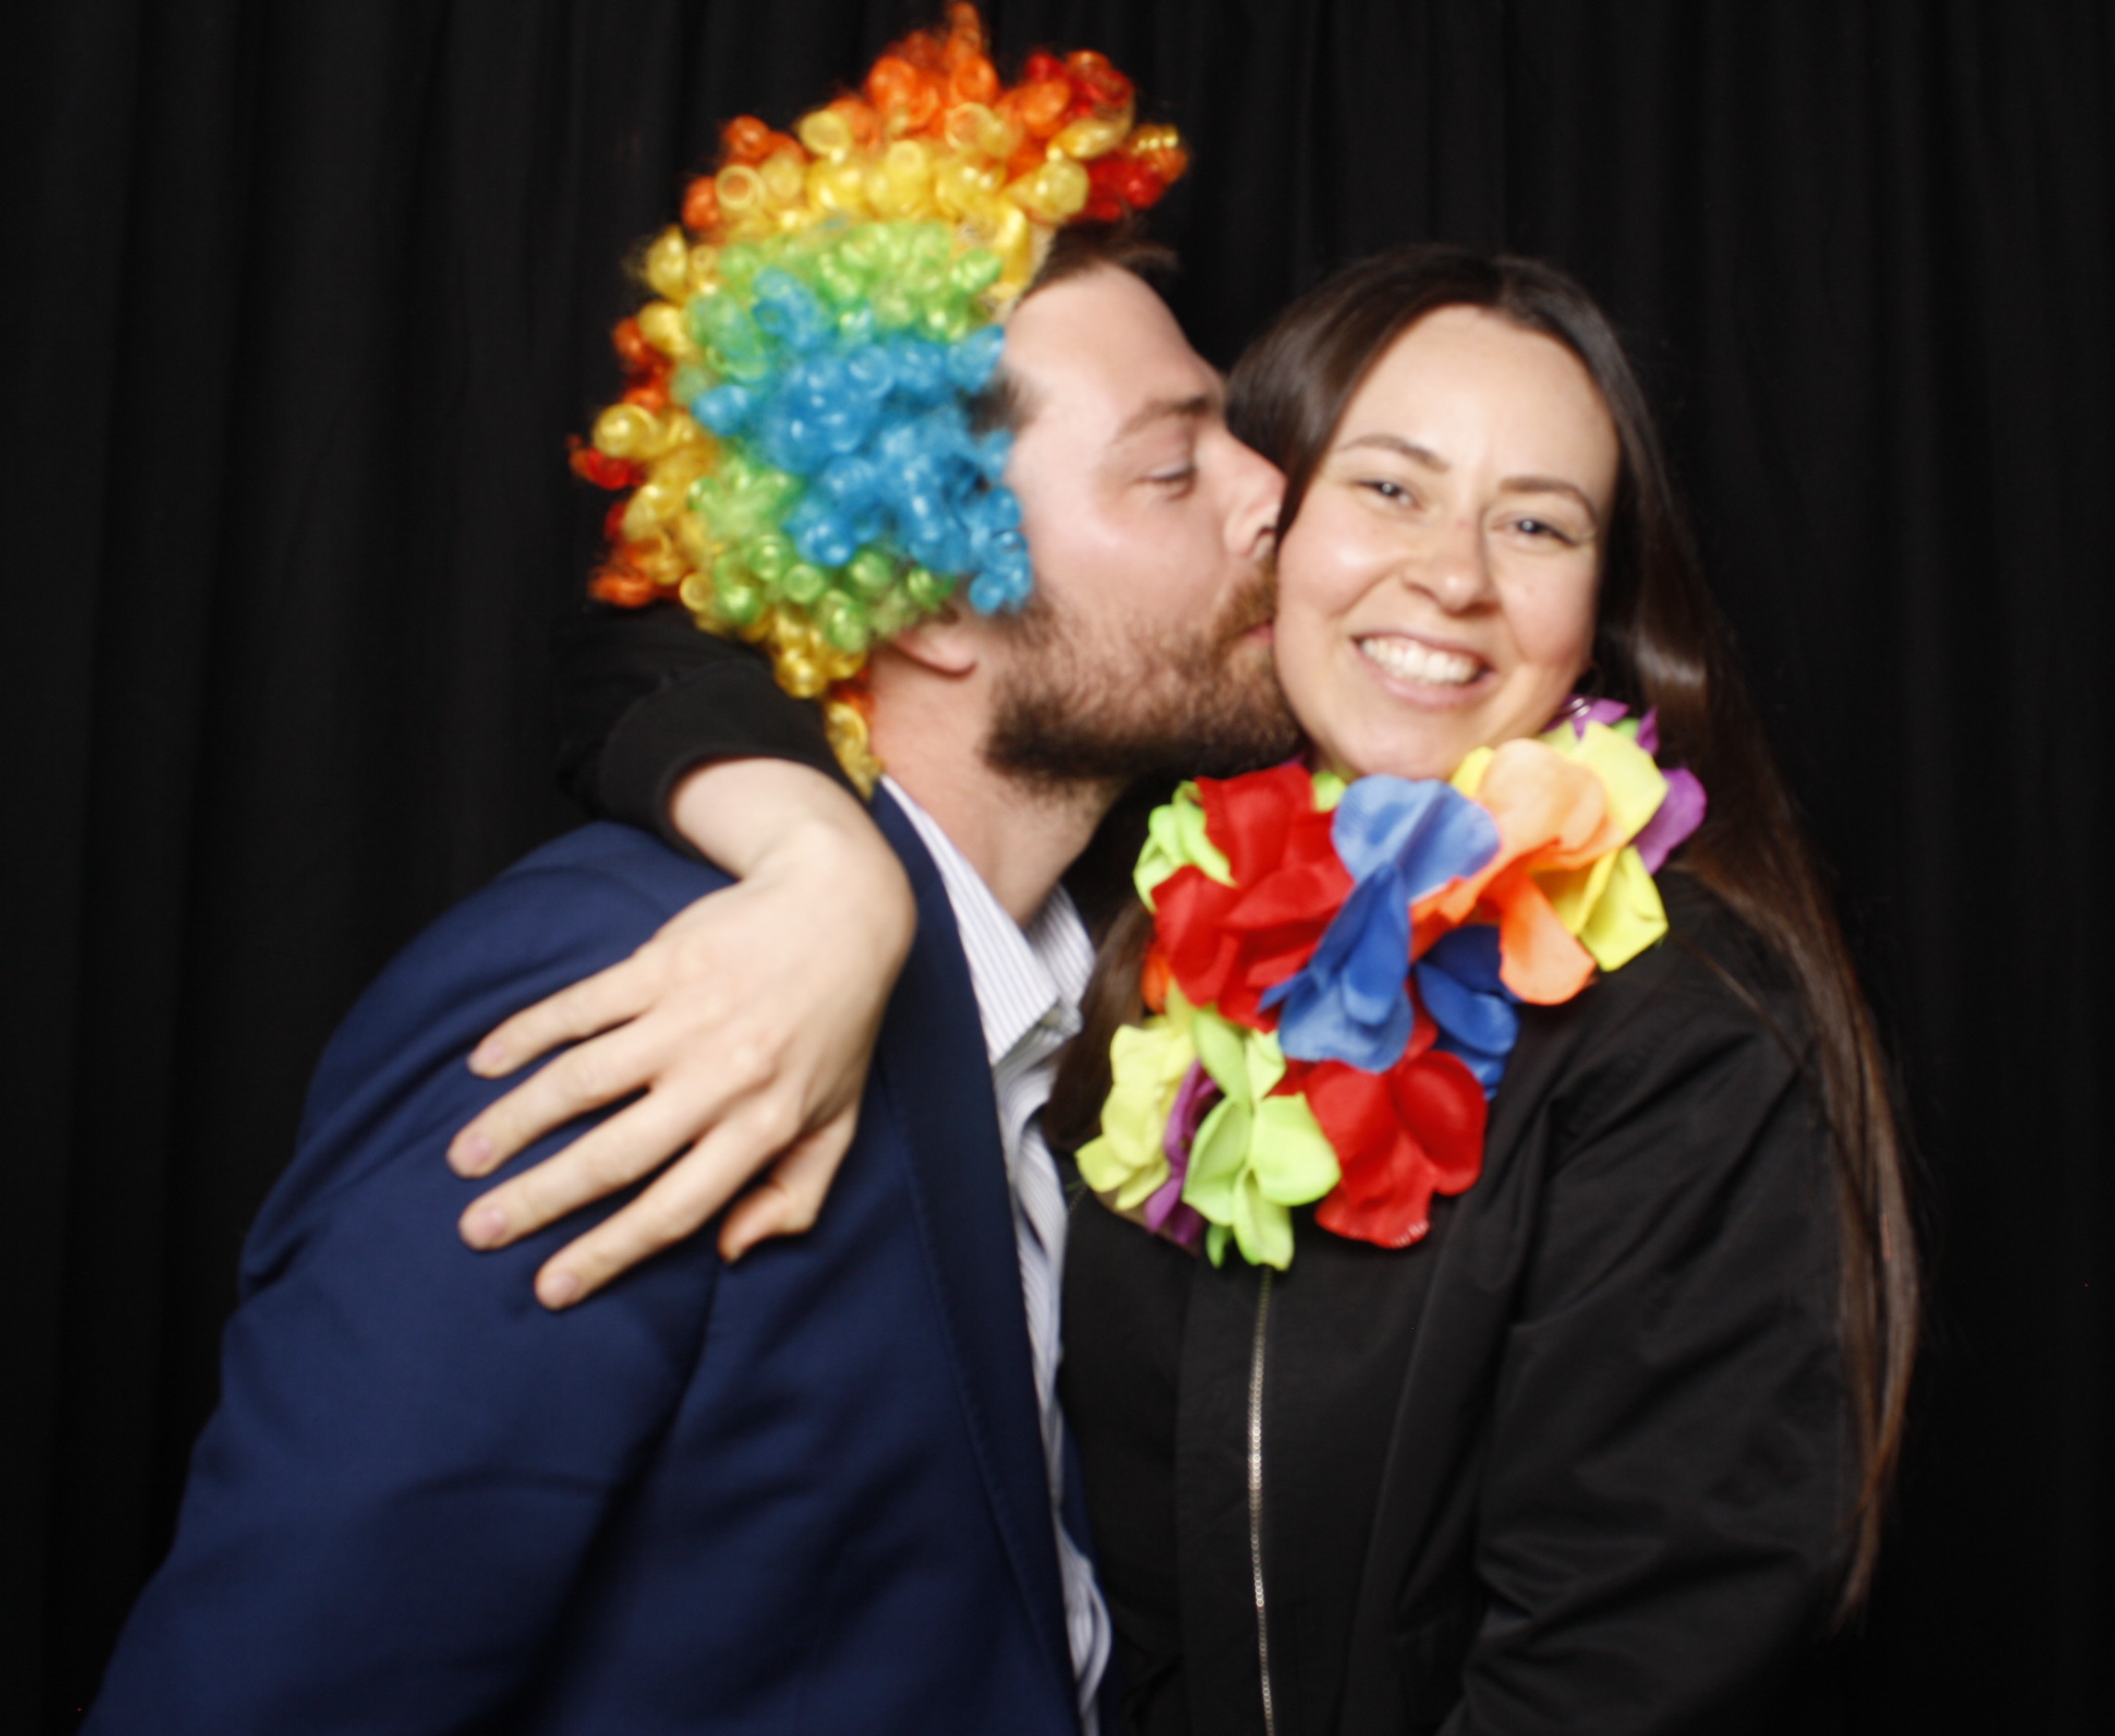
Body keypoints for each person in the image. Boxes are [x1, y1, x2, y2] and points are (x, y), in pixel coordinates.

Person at [463, 246, 1920, 1729]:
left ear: (1604, 601)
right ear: (1262, 517)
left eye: (1537, 523)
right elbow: (641, 632)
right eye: (1392, 488)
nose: (1457, 577)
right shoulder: (1127, 881)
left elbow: (1638, 1650)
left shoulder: (1681, 1028)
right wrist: (817, 859)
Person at [82, 16, 1292, 1730]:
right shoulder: (630, 1000)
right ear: (934, 596)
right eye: (1174, 465)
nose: (1271, 496)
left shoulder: (1110, 972)